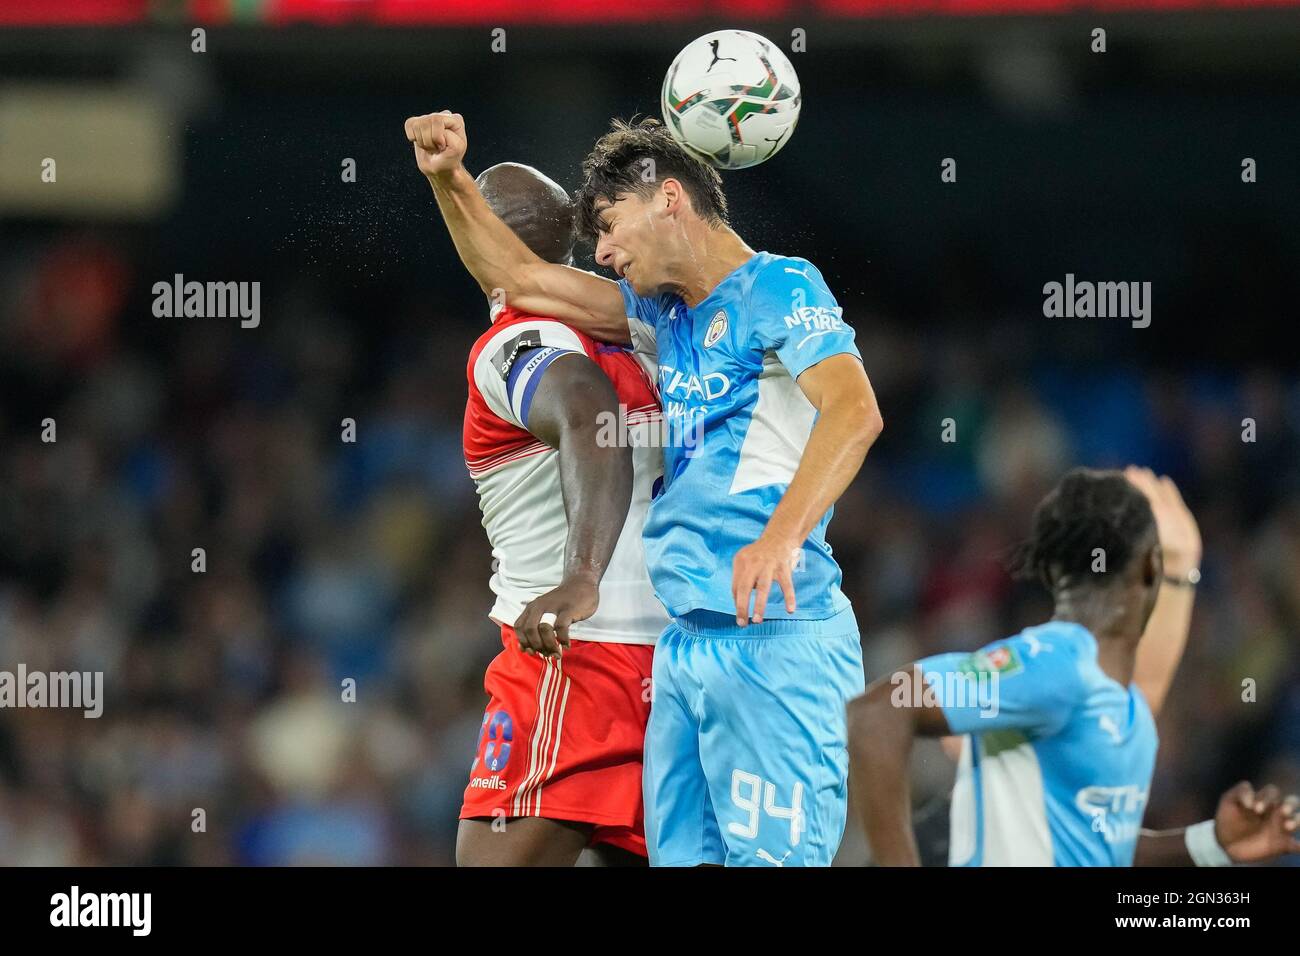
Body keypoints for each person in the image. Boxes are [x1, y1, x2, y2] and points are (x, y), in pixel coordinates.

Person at [406, 110, 883, 866]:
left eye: (608, 223)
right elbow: (522, 278)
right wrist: (448, 180)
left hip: (773, 637)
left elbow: (856, 412)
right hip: (684, 647)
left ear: (667, 198)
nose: (600, 251)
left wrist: (784, 533)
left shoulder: (780, 284)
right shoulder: (664, 319)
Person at [849, 466, 1300, 866]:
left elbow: (1102, 843)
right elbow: (878, 711)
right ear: (1151, 570)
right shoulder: (1056, 666)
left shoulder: (1122, 703)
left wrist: (1211, 844)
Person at [455, 161, 666, 866]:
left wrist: (582, 574)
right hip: (682, 655)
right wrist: (443, 179)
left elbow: (586, 412)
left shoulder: (522, 342)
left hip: (573, 652)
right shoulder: (655, 336)